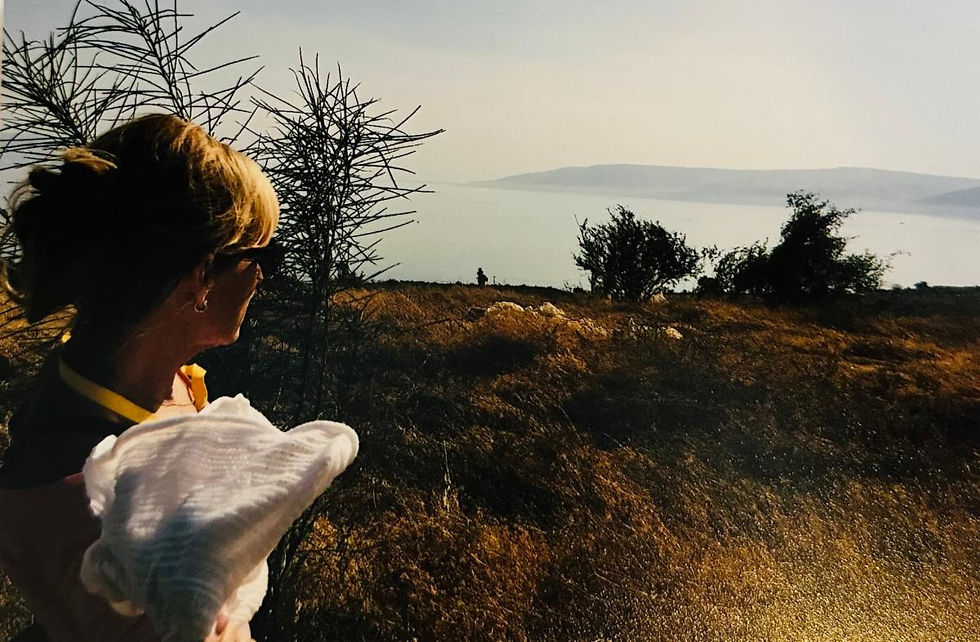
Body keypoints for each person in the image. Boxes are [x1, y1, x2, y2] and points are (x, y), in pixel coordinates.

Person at [0, 113, 281, 641]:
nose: (261, 275)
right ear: (200, 275)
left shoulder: (137, 378)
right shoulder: (80, 493)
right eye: (256, 254)